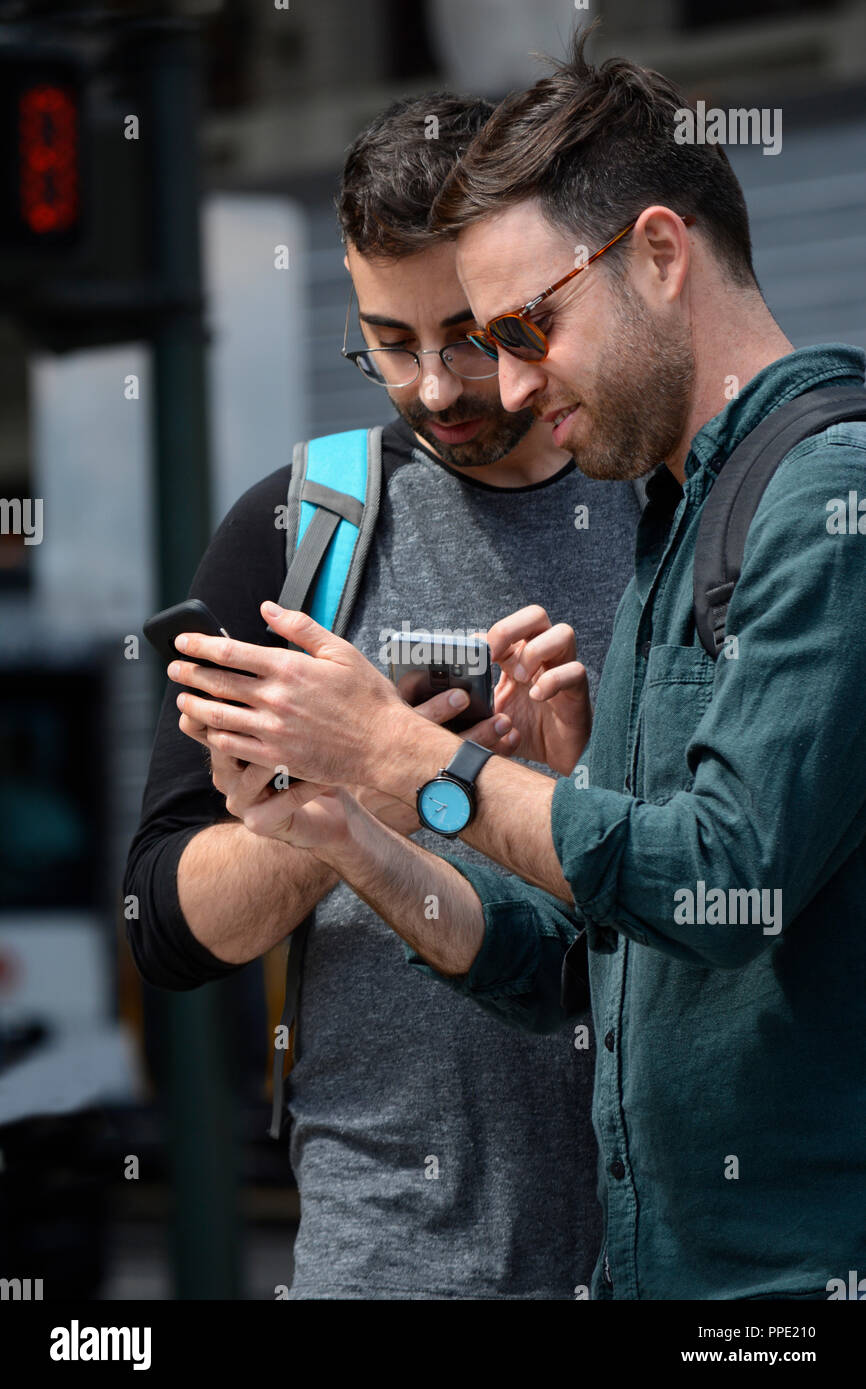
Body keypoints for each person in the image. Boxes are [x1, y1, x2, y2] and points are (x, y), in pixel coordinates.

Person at [168, 34, 866, 1302]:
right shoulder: (681, 509)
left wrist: (410, 759)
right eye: (398, 341)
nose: (503, 382)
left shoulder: (821, 498)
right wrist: (348, 823)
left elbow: (723, 875)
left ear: (658, 254)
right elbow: (582, 961)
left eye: (521, 326)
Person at [124, 93, 642, 1300]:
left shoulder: (666, 502)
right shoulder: (301, 528)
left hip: (660, 1250)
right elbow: (163, 925)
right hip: (389, 1256)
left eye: (470, 335)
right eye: (389, 342)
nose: (434, 387)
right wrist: (355, 800)